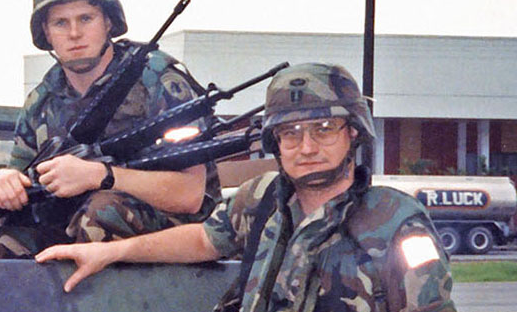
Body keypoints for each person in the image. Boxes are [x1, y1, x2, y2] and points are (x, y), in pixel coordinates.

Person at [36, 63, 455, 311]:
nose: (307, 147)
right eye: (290, 133)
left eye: (324, 129)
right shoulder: (263, 199)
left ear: (353, 134)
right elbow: (202, 239)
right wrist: (108, 251)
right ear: (275, 143)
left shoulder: (398, 223)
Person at [0, 0, 219, 259]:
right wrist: (2, 181)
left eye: (86, 18)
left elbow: (190, 194)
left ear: (108, 22)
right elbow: (22, 176)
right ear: (46, 32)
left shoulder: (156, 81)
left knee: (101, 212)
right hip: (67, 224)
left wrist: (101, 175)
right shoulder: (42, 100)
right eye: (60, 23)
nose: (74, 33)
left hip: (168, 232)